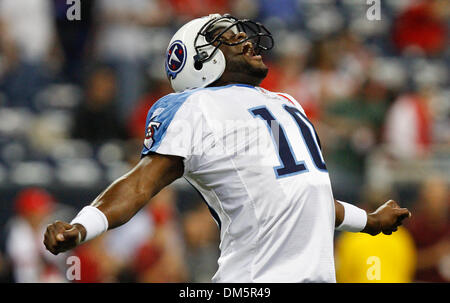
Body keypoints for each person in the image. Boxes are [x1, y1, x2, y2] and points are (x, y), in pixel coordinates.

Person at [44, 14, 411, 283]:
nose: (247, 40)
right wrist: (81, 227)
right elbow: (141, 184)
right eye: (229, 38)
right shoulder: (193, 107)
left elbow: (299, 197)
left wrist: (370, 221)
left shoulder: (285, 101)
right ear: (197, 62)